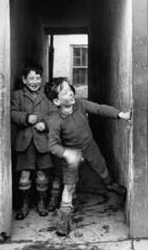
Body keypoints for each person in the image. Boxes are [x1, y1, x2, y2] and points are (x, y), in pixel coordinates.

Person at [45, 77, 131, 236]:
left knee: (102, 167)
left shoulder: (80, 104)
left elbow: (99, 109)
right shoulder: (55, 120)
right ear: (57, 102)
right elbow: (53, 146)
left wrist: (120, 115)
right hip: (71, 153)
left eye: (69, 89)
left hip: (89, 146)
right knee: (69, 186)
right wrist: (67, 153)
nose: (70, 93)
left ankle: (110, 184)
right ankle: (64, 219)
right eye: (64, 92)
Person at [11, 63, 56, 220]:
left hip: (42, 142)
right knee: (24, 176)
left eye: (38, 78)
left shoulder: (47, 95)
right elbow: (12, 114)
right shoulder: (18, 95)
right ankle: (24, 205)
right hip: (25, 143)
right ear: (24, 80)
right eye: (31, 78)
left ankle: (41, 203)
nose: (35, 81)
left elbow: (54, 115)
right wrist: (25, 117)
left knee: (42, 175)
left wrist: (45, 124)